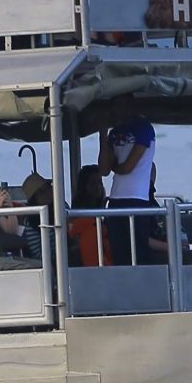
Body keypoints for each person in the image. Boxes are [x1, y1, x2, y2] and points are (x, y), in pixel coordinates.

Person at [97, 103, 156, 265]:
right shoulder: (114, 133)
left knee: (139, 251)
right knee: (119, 252)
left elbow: (127, 167)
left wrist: (116, 167)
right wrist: (103, 135)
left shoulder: (143, 128)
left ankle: (143, 285)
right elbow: (104, 170)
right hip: (116, 199)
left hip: (137, 198)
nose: (114, 110)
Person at [67, 165, 112, 267]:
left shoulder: (100, 206)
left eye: (100, 182)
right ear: (84, 186)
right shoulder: (78, 211)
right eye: (92, 183)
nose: (98, 187)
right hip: (86, 256)